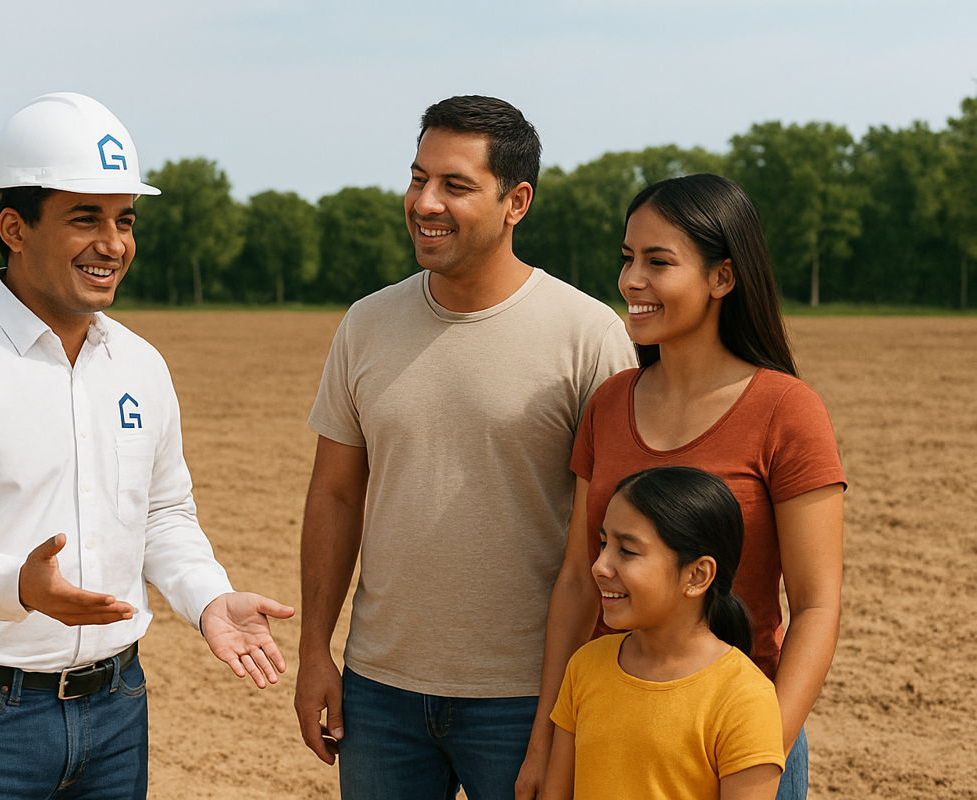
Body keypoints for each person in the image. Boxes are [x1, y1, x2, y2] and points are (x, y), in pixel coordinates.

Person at [0, 92, 293, 799]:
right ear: (14, 227)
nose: (113, 243)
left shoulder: (142, 366)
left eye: (125, 219)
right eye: (86, 217)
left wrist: (208, 597)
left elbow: (163, 515)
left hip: (118, 711)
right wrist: (12, 587)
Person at [293, 95, 636, 799]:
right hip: (378, 691)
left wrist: (570, 710)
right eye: (418, 178)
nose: (425, 202)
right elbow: (334, 494)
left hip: (528, 698)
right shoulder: (366, 324)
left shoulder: (589, 336)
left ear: (517, 201)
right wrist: (313, 651)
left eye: (455, 185)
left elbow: (620, 528)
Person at [531, 173, 845, 800]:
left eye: (658, 262)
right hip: (610, 734)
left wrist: (755, 758)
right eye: (627, 259)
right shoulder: (609, 403)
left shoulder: (788, 410)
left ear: (722, 277)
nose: (631, 282)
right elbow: (575, 580)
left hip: (737, 736)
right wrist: (544, 741)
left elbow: (816, 607)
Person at [541, 466, 785, 800]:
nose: (599, 565)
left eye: (626, 550)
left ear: (698, 575)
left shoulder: (745, 698)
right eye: (603, 543)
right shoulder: (584, 667)